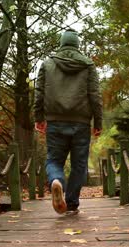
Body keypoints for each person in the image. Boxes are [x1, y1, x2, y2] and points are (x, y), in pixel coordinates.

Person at [34, 29, 103, 214]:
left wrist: (39, 118)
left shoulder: (47, 64)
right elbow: (95, 95)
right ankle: (71, 204)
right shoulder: (88, 65)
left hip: (55, 121)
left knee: (54, 160)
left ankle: (57, 181)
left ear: (62, 43)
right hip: (81, 122)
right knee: (79, 165)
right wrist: (98, 122)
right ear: (77, 45)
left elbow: (39, 93)